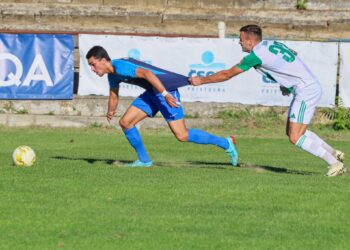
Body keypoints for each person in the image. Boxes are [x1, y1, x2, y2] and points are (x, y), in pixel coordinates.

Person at [189, 24, 346, 177]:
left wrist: (201, 81)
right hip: (307, 88)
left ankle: (334, 163)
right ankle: (333, 153)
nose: (239, 42)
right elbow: (293, 53)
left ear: (250, 42)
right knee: (295, 132)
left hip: (306, 91)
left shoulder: (254, 56)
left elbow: (227, 74)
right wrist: (286, 82)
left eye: (241, 39)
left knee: (295, 136)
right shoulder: (272, 44)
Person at [86, 46, 238, 167]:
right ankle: (144, 161)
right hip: (153, 92)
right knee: (125, 122)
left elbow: (148, 74)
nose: (92, 69)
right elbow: (113, 94)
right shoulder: (113, 75)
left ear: (104, 60)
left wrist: (165, 94)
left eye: (93, 64)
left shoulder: (120, 67)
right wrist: (111, 111)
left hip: (166, 91)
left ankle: (226, 143)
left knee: (182, 135)